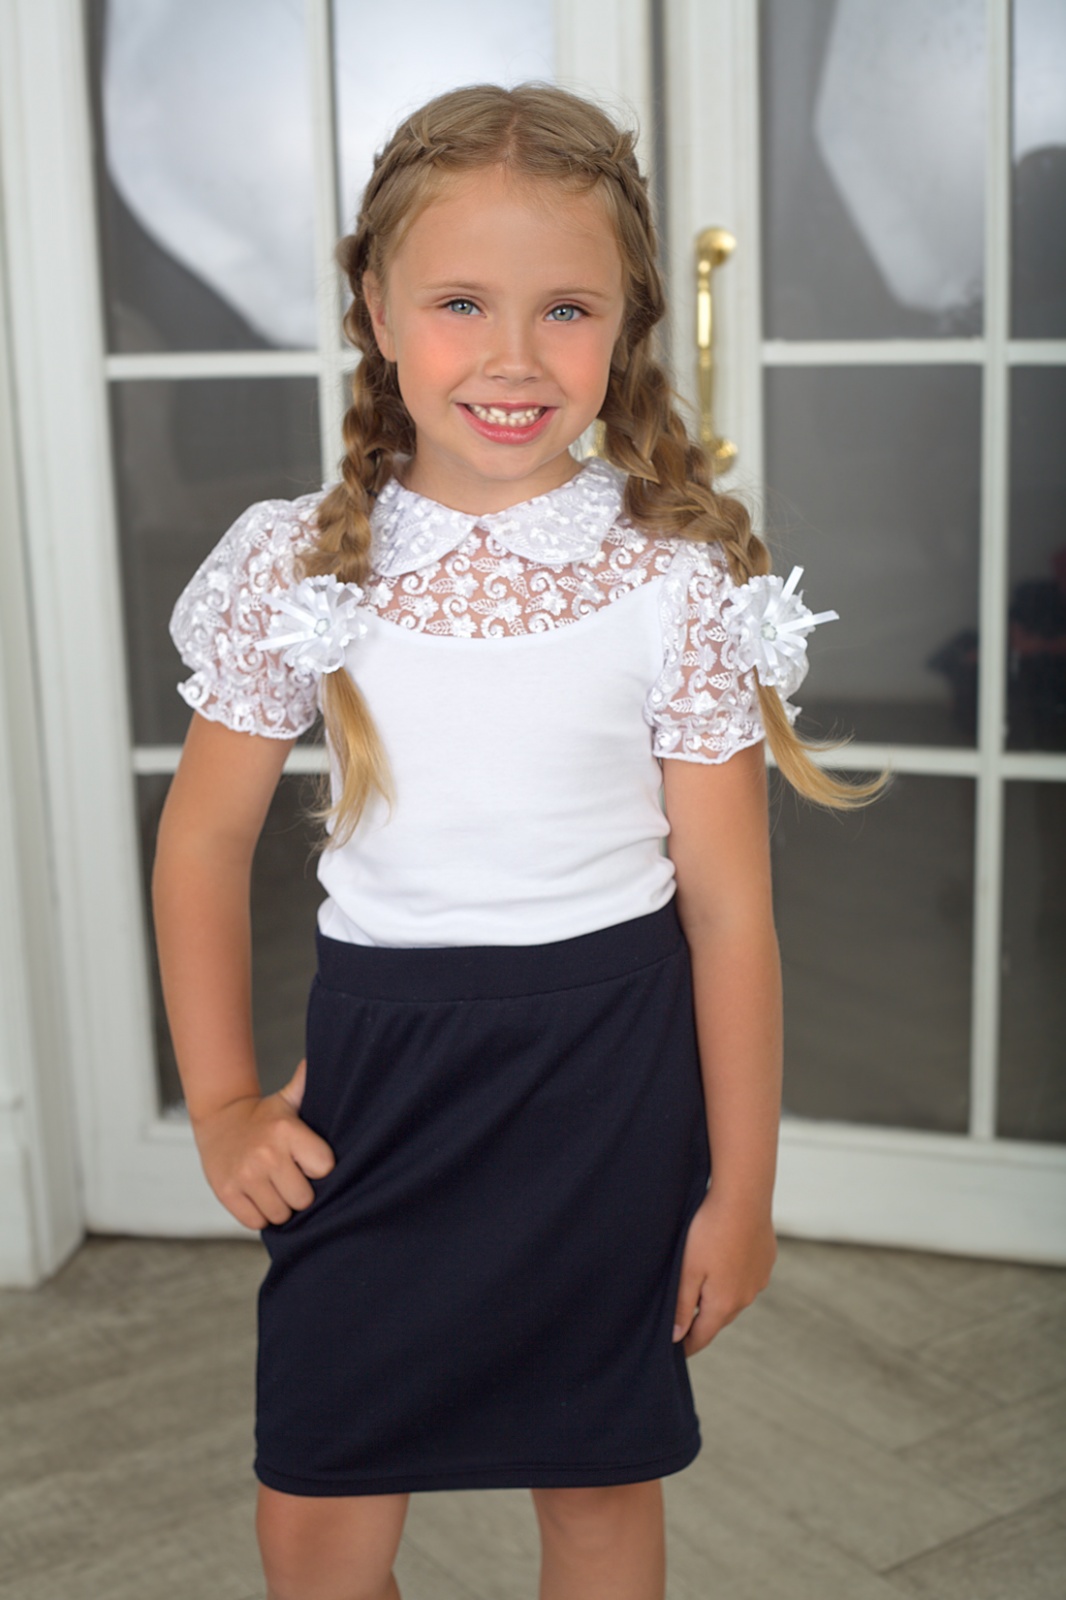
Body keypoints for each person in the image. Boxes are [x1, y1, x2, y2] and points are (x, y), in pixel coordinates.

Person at [153, 82, 876, 1600]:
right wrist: (219, 1102)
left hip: (607, 1089)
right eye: (461, 303)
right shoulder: (297, 565)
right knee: (317, 1517)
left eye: (565, 309)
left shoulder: (673, 578)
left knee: (598, 1492)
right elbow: (203, 844)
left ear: (625, 325)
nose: (512, 357)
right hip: (381, 1085)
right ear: (376, 307)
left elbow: (728, 915)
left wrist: (741, 1193)